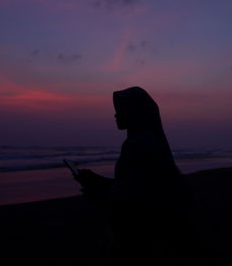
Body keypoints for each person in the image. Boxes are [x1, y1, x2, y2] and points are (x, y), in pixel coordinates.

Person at [74, 86, 192, 266]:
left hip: (137, 237)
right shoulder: (147, 141)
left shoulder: (138, 146)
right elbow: (134, 185)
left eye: (120, 110)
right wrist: (98, 180)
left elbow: (133, 199)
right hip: (148, 234)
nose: (115, 115)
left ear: (134, 111)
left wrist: (97, 194)